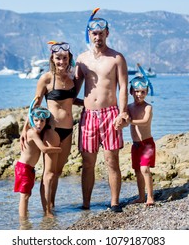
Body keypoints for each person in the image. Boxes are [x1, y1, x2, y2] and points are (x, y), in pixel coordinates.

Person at [74, 15, 128, 212]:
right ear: (90, 34)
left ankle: (114, 203)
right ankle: (86, 204)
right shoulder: (82, 60)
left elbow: (123, 87)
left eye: (101, 33)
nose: (98, 37)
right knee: (87, 163)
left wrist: (122, 113)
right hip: (88, 116)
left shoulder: (117, 58)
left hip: (110, 115)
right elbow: (73, 89)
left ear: (107, 33)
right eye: (94, 33)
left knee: (111, 161)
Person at [20, 41, 76, 217]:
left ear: (69, 59)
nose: (62, 62)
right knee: (49, 173)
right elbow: (35, 104)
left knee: (58, 171)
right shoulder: (46, 79)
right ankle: (47, 212)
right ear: (52, 58)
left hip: (68, 130)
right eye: (58, 58)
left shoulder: (72, 78)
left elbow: (71, 101)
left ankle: (51, 204)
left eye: (65, 58)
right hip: (52, 130)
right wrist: (25, 128)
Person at [14, 107, 62, 223]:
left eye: (42, 121)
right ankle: (23, 222)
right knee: (24, 196)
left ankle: (24, 216)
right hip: (23, 168)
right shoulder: (32, 133)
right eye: (36, 120)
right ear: (31, 120)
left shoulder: (38, 132)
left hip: (29, 169)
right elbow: (44, 149)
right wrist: (59, 149)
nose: (39, 123)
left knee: (28, 194)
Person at [126, 76, 156, 206]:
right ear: (131, 92)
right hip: (135, 145)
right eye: (136, 91)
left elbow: (145, 122)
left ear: (147, 92)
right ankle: (141, 196)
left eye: (143, 92)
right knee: (137, 171)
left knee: (145, 169)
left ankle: (150, 197)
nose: (139, 94)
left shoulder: (147, 107)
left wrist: (130, 121)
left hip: (147, 144)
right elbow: (123, 121)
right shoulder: (129, 107)